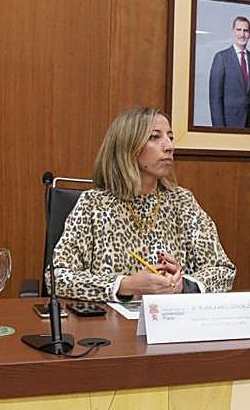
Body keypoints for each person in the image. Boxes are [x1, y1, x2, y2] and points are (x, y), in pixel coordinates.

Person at [52, 106, 236, 301]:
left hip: (173, 323)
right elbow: (57, 277)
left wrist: (184, 285)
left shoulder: (182, 202)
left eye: (170, 137)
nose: (169, 147)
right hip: (110, 326)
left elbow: (223, 271)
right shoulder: (94, 204)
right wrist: (126, 285)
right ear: (127, 146)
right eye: (155, 137)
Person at [208, 16, 250, 128]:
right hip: (229, 125)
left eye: (245, 31)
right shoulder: (221, 58)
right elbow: (215, 99)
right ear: (233, 32)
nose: (242, 34)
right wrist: (219, 130)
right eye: (239, 30)